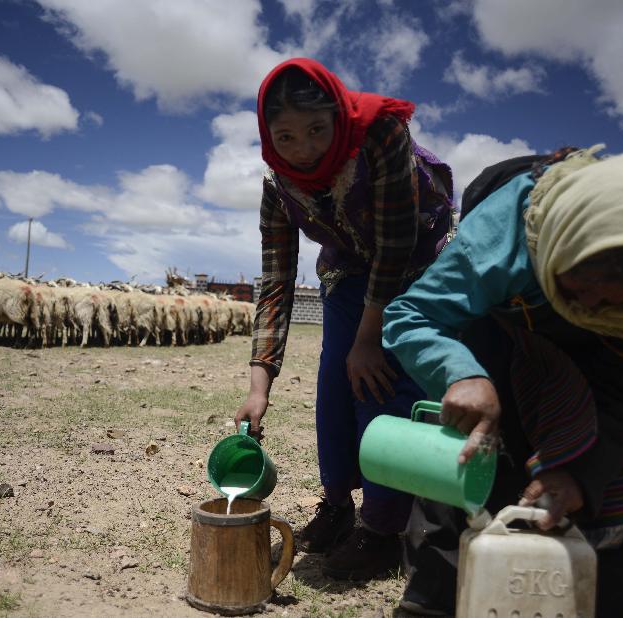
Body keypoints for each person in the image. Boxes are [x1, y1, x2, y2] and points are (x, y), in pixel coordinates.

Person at [381, 146, 623, 616]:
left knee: (609, 503)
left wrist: (578, 473)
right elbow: (412, 315)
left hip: (599, 371)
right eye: (580, 288)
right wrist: (460, 372)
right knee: (469, 465)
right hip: (497, 337)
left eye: (615, 304)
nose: (589, 310)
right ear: (554, 252)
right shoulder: (509, 236)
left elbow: (622, 400)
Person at [234, 57, 456, 581]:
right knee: (334, 382)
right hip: (347, 266)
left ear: (338, 119)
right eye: (284, 136)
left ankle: (383, 530)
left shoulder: (381, 135)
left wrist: (370, 338)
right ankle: (336, 506)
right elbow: (275, 281)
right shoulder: (278, 185)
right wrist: (258, 385)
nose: (303, 149)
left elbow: (397, 242)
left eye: (316, 130)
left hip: (415, 259)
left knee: (379, 383)